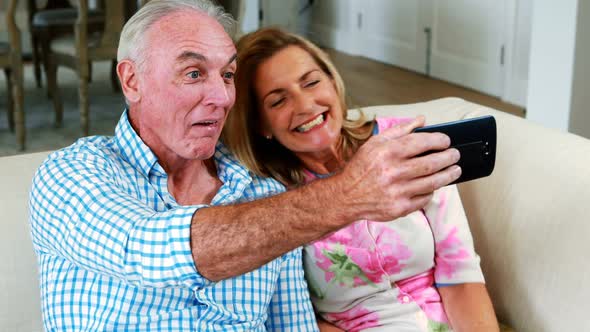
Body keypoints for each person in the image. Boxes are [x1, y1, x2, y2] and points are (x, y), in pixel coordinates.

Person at [29, 0, 462, 330]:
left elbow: (294, 325)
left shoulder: (263, 189)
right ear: (131, 80)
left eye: (228, 75)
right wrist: (349, 195)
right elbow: (146, 250)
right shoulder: (74, 174)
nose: (221, 98)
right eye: (194, 73)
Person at [223, 27, 500, 332]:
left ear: (333, 81)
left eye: (312, 82)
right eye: (278, 101)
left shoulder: (408, 144)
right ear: (261, 124)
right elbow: (294, 319)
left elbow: (460, 276)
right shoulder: (272, 200)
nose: (304, 105)